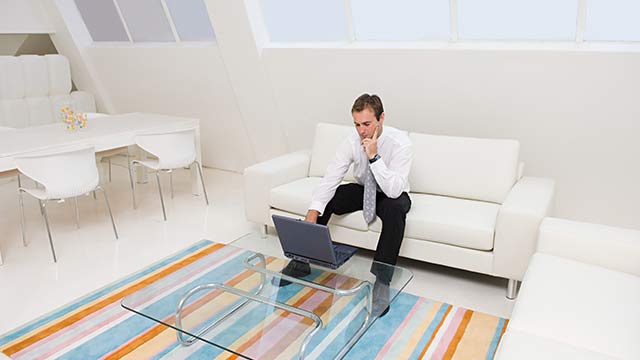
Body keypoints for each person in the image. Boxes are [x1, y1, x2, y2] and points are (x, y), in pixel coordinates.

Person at [277, 93, 413, 316]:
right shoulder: (351, 141)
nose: (361, 131)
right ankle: (301, 260)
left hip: (391, 192)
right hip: (363, 190)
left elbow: (394, 189)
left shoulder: (400, 143)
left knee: (396, 209)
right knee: (330, 196)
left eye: (367, 124)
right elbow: (331, 177)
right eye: (357, 124)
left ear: (381, 119)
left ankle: (382, 281)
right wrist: (312, 212)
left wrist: (374, 157)